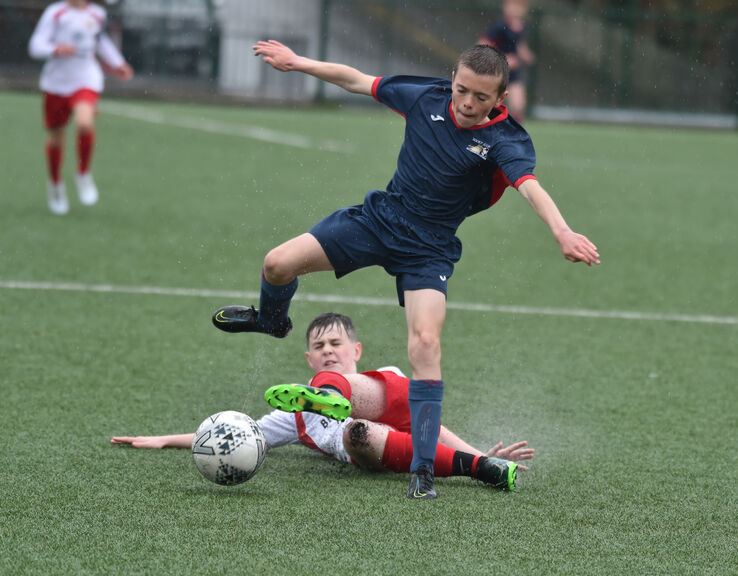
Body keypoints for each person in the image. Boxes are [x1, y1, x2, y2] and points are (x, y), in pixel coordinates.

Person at [211, 40, 599, 499]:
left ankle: (423, 470)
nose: (467, 103)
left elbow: (529, 186)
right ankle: (273, 321)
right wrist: (298, 64)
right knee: (277, 264)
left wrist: (561, 231)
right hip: (379, 220)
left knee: (426, 344)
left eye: (480, 97)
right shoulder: (426, 96)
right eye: (462, 90)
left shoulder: (504, 138)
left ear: (501, 98)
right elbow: (357, 80)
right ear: (451, 81)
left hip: (429, 250)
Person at [112, 313, 534, 493]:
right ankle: (484, 471)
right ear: (309, 359)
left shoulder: (383, 372)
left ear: (357, 349)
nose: (329, 348)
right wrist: (165, 440)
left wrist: (474, 446)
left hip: (381, 399)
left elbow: (430, 426)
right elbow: (238, 435)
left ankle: (333, 395)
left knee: (385, 398)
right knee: (357, 434)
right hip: (369, 442)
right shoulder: (293, 415)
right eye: (319, 345)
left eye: (337, 342)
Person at [28, 0, 134, 215]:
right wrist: (56, 48)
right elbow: (36, 45)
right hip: (56, 82)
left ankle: (83, 173)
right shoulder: (56, 12)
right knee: (57, 137)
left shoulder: (97, 14)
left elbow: (100, 41)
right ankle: (56, 184)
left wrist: (118, 63)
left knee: (85, 123)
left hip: (85, 78)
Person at [479, 0, 536, 122]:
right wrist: (503, 58)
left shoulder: (522, 26)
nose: (516, 10)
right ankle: (488, 126)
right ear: (505, 7)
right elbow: (483, 44)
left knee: (519, 104)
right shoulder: (500, 26)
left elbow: (519, 45)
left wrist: (525, 54)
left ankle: (515, 132)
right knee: (493, 103)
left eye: (519, 7)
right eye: (512, 6)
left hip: (513, 72)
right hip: (497, 72)